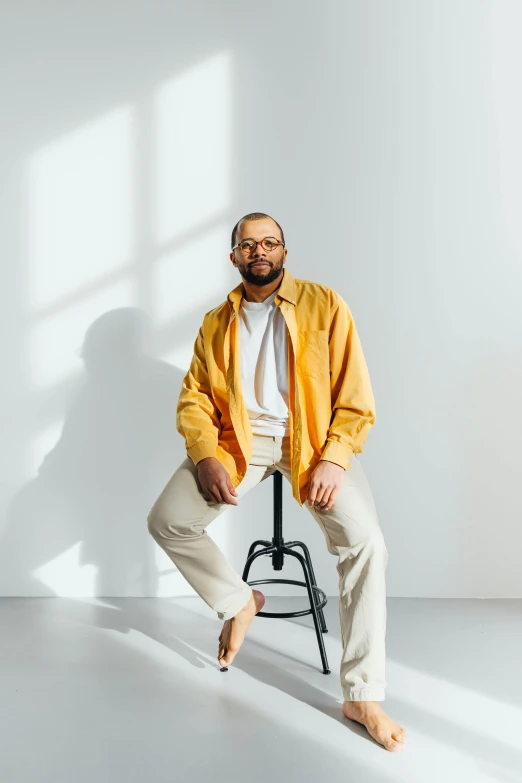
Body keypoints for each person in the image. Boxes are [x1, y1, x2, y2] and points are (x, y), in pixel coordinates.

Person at [147, 212, 407, 752]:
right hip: (238, 441)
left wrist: (336, 459)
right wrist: (203, 455)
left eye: (269, 243)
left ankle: (362, 693)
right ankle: (240, 602)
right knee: (168, 520)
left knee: (366, 544)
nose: (258, 251)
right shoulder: (216, 321)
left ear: (285, 252)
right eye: (247, 244)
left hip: (311, 443)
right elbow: (194, 397)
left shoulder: (324, 304)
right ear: (234, 257)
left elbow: (355, 397)